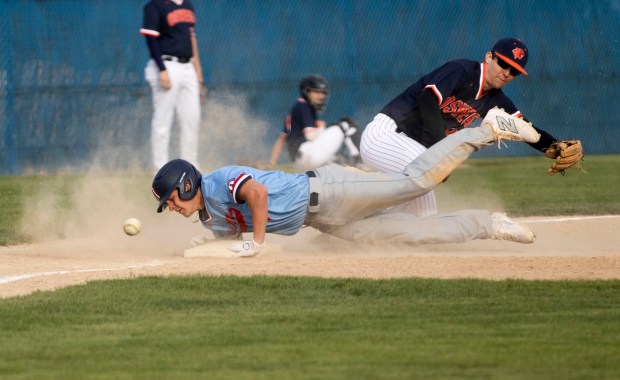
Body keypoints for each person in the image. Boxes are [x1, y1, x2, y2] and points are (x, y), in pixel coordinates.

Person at [152, 108, 541, 257]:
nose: (171, 207)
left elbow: (257, 194)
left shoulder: (219, 181)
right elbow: (237, 238)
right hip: (327, 220)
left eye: (170, 199)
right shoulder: (208, 217)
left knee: (415, 183)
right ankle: (489, 224)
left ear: (186, 185)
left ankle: (488, 127)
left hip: (330, 191)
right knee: (417, 234)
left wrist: (256, 242)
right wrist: (214, 242)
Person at [360, 37, 575, 218]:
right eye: (503, 63)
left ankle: (359, 220)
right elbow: (428, 99)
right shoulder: (462, 70)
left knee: (418, 210)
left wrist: (554, 146)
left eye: (514, 71)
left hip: (410, 148)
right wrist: (440, 155)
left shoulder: (495, 100)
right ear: (489, 57)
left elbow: (525, 128)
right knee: (426, 189)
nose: (507, 72)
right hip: (386, 134)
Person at [140, 0, 208, 171]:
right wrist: (162, 70)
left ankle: (191, 168)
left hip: (188, 67)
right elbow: (151, 40)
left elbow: (192, 40)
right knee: (163, 120)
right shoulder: (155, 6)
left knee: (192, 119)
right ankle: (160, 170)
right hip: (167, 64)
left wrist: (199, 77)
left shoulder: (187, 5)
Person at [267, 75, 361, 170]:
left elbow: (282, 138)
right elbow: (310, 136)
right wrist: (321, 128)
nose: (321, 96)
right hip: (309, 154)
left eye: (323, 93)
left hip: (299, 162)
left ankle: (339, 161)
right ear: (306, 92)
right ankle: (359, 160)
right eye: (316, 92)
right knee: (346, 124)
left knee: (339, 159)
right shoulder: (304, 106)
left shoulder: (296, 108)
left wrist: (272, 162)